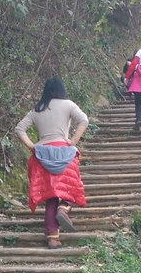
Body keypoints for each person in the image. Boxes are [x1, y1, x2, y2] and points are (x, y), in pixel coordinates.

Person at [15, 77, 88, 249]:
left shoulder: (37, 109)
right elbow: (83, 120)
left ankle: (52, 238)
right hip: (65, 153)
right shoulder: (68, 105)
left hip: (42, 155)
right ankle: (64, 208)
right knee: (72, 187)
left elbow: (19, 129)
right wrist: (72, 142)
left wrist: (33, 146)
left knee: (51, 196)